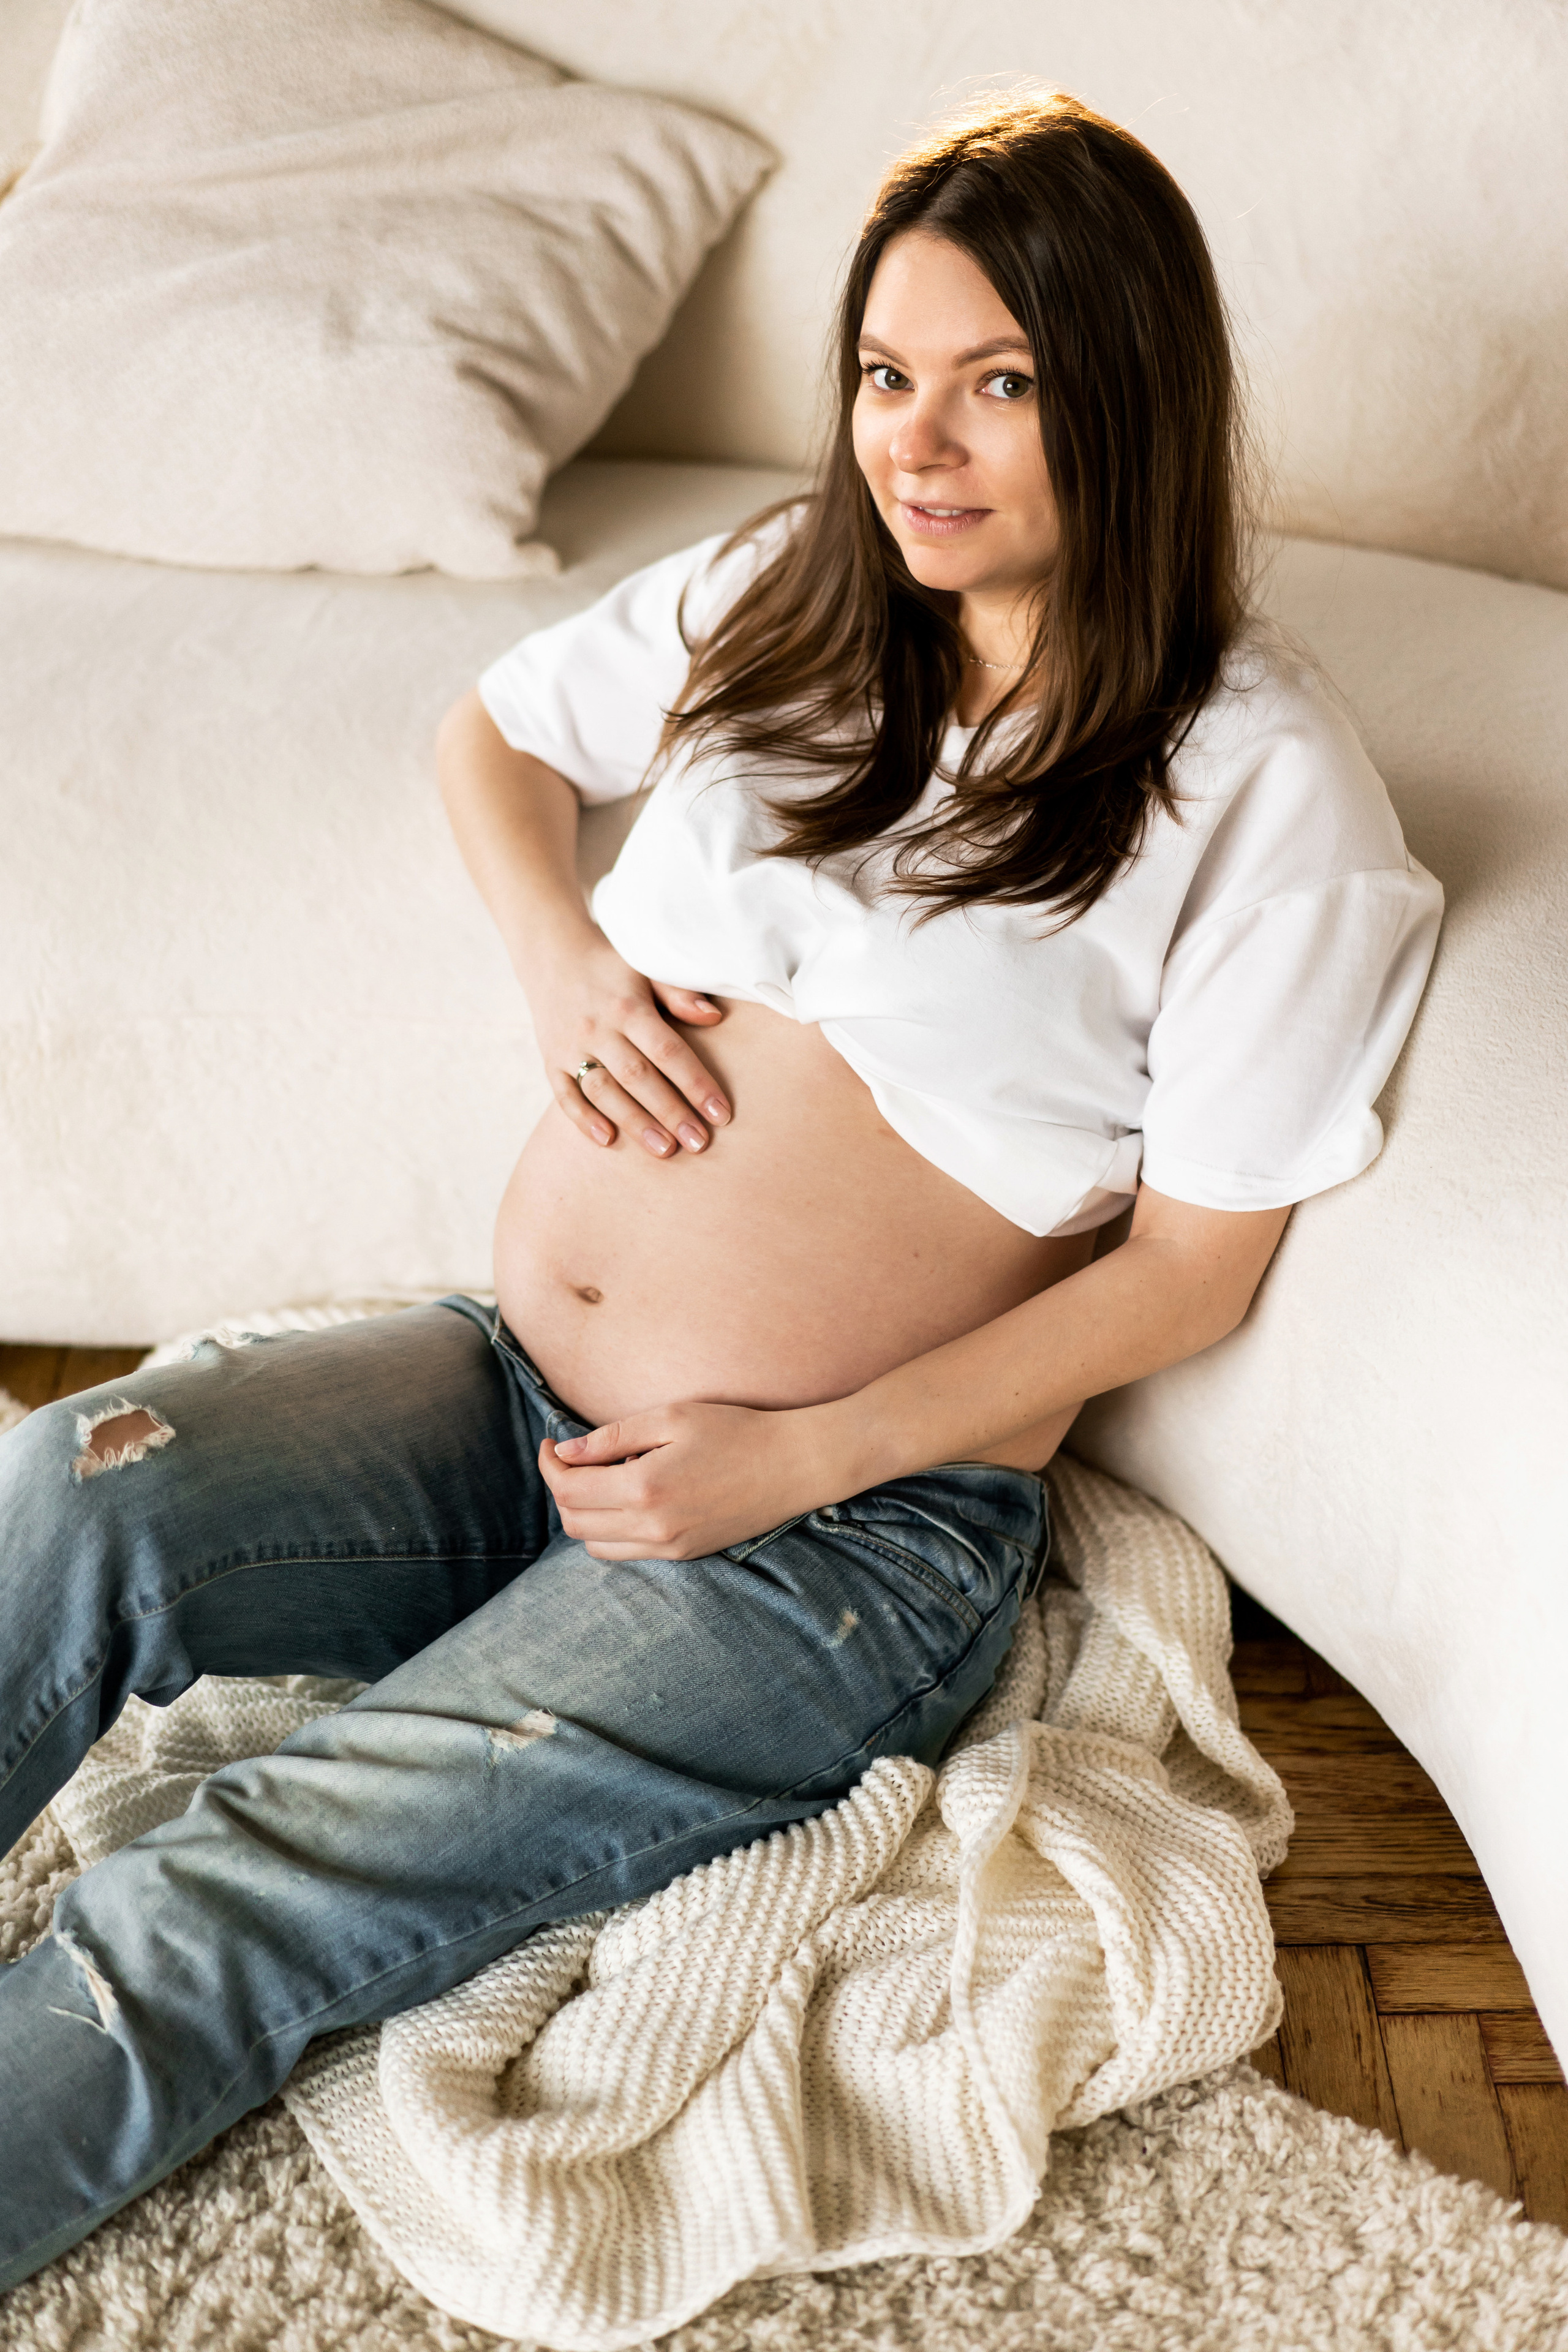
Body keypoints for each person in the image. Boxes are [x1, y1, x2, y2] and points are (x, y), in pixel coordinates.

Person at [0, 93, 1440, 2287]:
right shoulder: (798, 589)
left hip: (832, 1540)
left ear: (1130, 391)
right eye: (888, 373)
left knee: (242, 1868)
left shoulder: (1264, 796)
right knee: (88, 1486)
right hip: (513, 1395)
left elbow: (1191, 1271)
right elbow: (496, 735)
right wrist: (564, 962)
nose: (918, 443)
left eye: (1001, 383)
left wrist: (802, 1453)